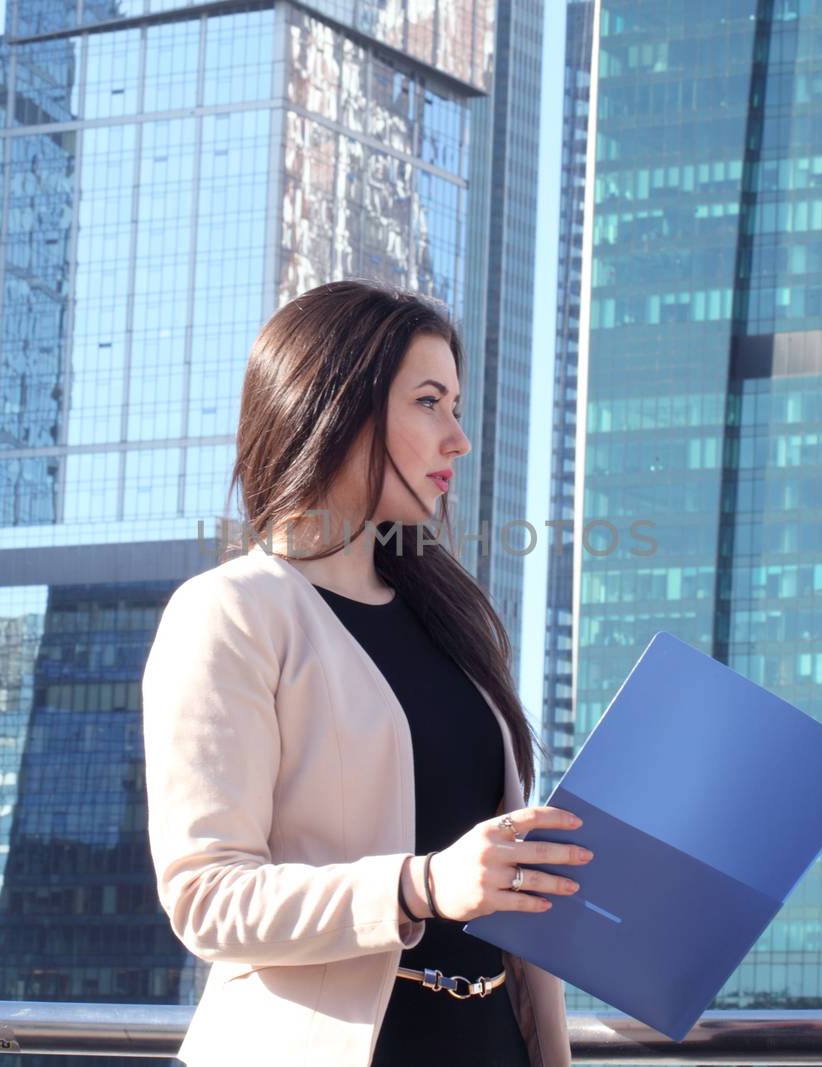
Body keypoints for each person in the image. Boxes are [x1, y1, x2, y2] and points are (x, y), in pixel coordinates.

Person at [142, 280, 589, 1066]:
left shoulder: (453, 620)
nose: (458, 437)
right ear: (336, 406)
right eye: (429, 402)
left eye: (456, 404)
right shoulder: (231, 612)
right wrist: (418, 885)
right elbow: (206, 896)